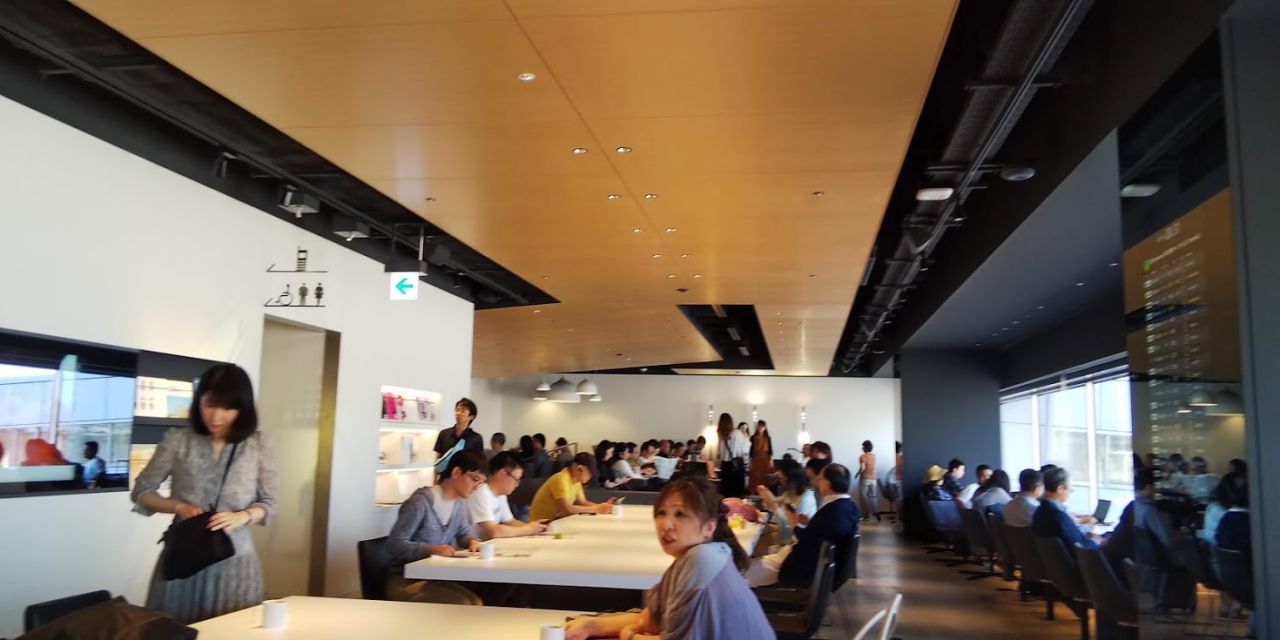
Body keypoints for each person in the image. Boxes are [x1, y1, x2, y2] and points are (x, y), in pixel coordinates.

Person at [130, 364, 278, 623]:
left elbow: (269, 502)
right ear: (199, 400)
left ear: (242, 408)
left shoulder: (257, 444)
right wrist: (178, 507)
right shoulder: (178, 441)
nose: (216, 416)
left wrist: (242, 516)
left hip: (235, 564)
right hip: (185, 558)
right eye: (209, 404)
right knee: (176, 631)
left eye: (227, 408)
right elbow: (142, 491)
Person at [565, 477, 773, 640]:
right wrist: (590, 625)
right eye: (662, 513)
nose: (666, 524)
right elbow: (650, 620)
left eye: (680, 514)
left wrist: (629, 636)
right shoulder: (695, 559)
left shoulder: (702, 559)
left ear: (709, 527)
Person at [386, 449, 486, 603]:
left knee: (476, 602)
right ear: (456, 472)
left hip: (433, 577)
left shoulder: (458, 502)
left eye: (481, 483)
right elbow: (394, 544)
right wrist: (431, 549)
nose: (476, 487)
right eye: (475, 479)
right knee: (464, 605)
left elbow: (462, 532)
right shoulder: (420, 502)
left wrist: (472, 541)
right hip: (405, 581)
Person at [745, 464, 859, 587]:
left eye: (820, 479)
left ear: (827, 484)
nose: (817, 482)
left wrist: (793, 521)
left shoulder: (832, 511)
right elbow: (823, 533)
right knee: (754, 559)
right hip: (811, 560)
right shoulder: (849, 507)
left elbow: (806, 540)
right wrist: (809, 523)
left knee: (741, 573)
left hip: (803, 566)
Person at [468, 451, 549, 540]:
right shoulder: (480, 492)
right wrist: (528, 529)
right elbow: (493, 531)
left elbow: (511, 522)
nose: (517, 485)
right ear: (502, 474)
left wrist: (536, 527)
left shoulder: (501, 495)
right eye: (516, 479)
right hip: (470, 546)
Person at [528, 452, 617, 521]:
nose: (591, 476)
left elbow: (584, 502)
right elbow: (568, 509)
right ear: (580, 468)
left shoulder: (576, 481)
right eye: (590, 472)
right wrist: (597, 509)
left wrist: (604, 507)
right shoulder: (561, 478)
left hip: (553, 522)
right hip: (538, 524)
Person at [1031, 467, 1100, 549]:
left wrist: (1087, 527)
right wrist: (1096, 540)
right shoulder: (1059, 517)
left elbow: (1070, 534)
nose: (1069, 493)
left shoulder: (1039, 512)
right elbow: (1080, 549)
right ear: (1059, 489)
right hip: (1077, 556)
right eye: (1069, 489)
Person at [756, 461, 817, 545]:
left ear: (792, 478)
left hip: (795, 543)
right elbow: (777, 509)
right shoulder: (789, 494)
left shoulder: (806, 499)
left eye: (782, 479)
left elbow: (788, 522)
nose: (781, 483)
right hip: (783, 538)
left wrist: (771, 502)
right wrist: (766, 497)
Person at [716, 413, 748, 498]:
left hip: (725, 465)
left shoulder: (720, 434)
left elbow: (719, 454)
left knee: (727, 493)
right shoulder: (737, 433)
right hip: (736, 464)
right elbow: (743, 450)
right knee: (737, 493)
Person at [856, 440, 878, 522]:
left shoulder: (863, 456)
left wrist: (857, 474)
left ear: (865, 448)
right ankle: (876, 512)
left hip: (865, 478)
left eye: (863, 447)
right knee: (873, 496)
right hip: (873, 478)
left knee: (864, 497)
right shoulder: (874, 456)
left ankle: (865, 515)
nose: (862, 448)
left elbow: (863, 468)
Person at [748, 421, 773, 491]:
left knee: (764, 475)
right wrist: (750, 461)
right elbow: (751, 451)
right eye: (759, 426)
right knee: (755, 475)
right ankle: (754, 491)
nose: (760, 428)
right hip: (756, 458)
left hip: (765, 459)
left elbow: (770, 450)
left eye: (762, 426)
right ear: (757, 427)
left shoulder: (768, 438)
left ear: (765, 428)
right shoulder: (752, 437)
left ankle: (765, 491)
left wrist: (771, 460)